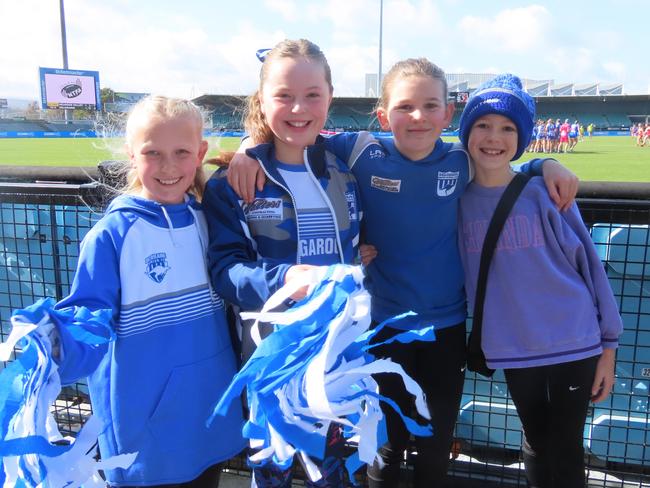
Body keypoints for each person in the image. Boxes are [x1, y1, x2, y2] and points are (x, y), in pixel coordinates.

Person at [227, 57, 578, 487]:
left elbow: (505, 166)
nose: (418, 117)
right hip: (383, 326)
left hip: (446, 329)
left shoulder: (459, 160)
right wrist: (248, 145)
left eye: (431, 106)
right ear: (382, 115)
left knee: (435, 444)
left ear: (448, 114)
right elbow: (296, 136)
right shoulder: (359, 149)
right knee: (386, 447)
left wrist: (546, 165)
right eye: (405, 106)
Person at [50, 95, 246, 486]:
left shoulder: (210, 219)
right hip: (146, 434)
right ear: (132, 154)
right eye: (153, 152)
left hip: (208, 414)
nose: (169, 166)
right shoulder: (112, 236)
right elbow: (88, 316)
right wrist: (59, 347)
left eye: (181, 152)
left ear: (200, 153)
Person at [202, 39, 362, 488]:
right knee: (271, 471)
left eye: (313, 95)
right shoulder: (232, 183)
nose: (299, 107)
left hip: (335, 357)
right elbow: (225, 269)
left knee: (331, 471)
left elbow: (425, 149)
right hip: (269, 359)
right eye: (284, 95)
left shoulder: (346, 166)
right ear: (262, 100)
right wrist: (286, 278)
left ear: (330, 96)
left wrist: (537, 165)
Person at [457, 74, 623, 488]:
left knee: (565, 445)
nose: (494, 137)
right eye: (483, 125)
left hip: (575, 341)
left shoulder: (545, 193)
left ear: (522, 137)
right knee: (534, 439)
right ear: (465, 131)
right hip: (514, 346)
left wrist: (609, 346)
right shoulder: (454, 197)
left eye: (508, 128)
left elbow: (590, 268)